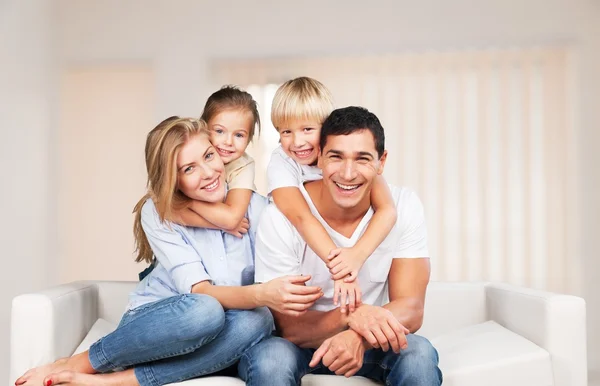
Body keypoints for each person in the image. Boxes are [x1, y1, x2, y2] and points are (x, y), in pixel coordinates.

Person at [15, 117, 322, 386]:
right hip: (166, 327)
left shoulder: (258, 209)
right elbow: (202, 292)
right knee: (205, 309)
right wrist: (261, 295)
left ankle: (116, 383)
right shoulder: (159, 212)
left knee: (264, 330)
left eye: (209, 156)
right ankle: (80, 364)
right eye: (189, 168)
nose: (208, 172)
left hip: (234, 334)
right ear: (173, 179)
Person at [240, 107, 442, 385]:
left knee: (418, 353)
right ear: (319, 157)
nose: (348, 173)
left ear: (381, 162)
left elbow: (412, 308)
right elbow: (291, 328)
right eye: (336, 156)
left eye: (362, 159)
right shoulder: (280, 217)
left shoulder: (404, 206)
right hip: (297, 346)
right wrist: (353, 316)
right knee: (271, 360)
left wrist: (357, 336)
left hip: (368, 341)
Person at [267, 77, 398, 313]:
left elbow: (387, 210)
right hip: (295, 249)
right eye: (286, 131)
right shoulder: (282, 162)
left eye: (307, 129)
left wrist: (356, 256)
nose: (297, 142)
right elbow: (301, 217)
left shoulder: (349, 157)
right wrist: (341, 271)